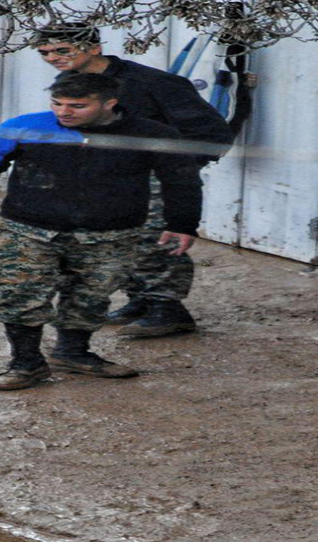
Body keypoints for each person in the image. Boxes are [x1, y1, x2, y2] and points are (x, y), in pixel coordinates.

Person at [0, 72, 203, 391]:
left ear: (109, 104)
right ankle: (25, 363)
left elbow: (182, 181)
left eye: (77, 105)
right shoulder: (24, 127)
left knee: (91, 295)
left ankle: (73, 353)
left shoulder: (152, 134)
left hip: (111, 234)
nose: (64, 112)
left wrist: (182, 224)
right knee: (20, 293)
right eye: (57, 103)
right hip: (30, 229)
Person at [32, 24, 236, 338]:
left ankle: (167, 309)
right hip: (106, 177)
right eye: (45, 52)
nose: (53, 58)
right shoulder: (70, 82)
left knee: (154, 239)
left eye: (62, 50)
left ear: (94, 48)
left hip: (155, 178)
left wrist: (168, 170)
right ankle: (140, 299)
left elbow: (212, 135)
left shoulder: (153, 83)